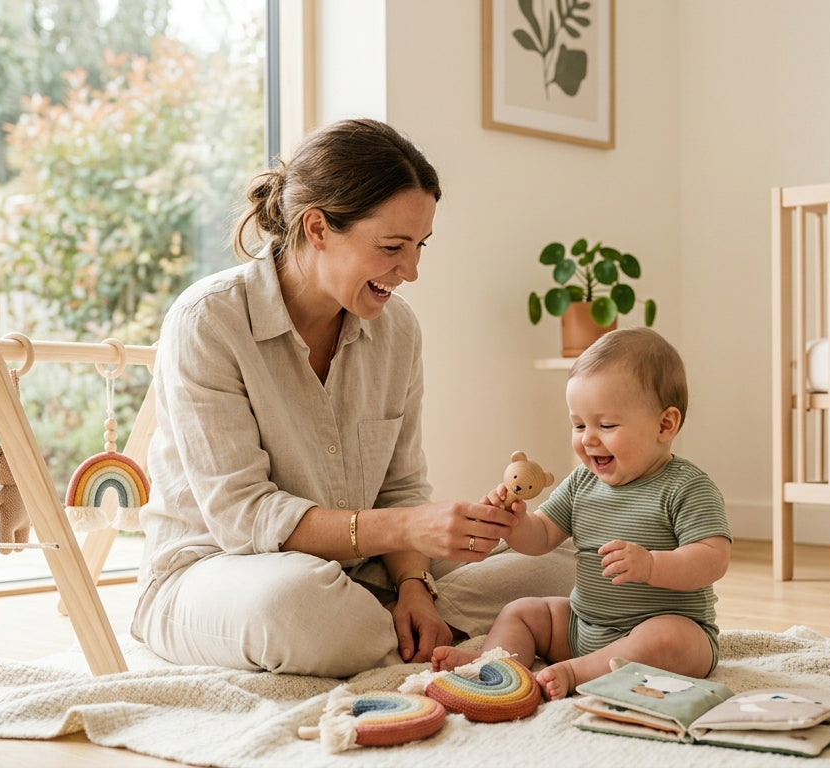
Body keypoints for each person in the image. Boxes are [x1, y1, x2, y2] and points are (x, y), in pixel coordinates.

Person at [130, 118, 574, 678]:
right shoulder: (209, 321)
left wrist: (415, 584)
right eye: (392, 247)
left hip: (365, 574)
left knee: (570, 557)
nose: (410, 271)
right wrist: (408, 530)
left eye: (419, 247)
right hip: (221, 574)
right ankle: (471, 634)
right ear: (317, 228)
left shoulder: (398, 331)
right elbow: (243, 520)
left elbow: (401, 486)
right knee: (294, 607)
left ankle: (403, 628)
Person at [432, 327, 731, 699]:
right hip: (581, 626)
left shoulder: (686, 487)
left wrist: (653, 565)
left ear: (664, 425)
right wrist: (516, 523)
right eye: (579, 424)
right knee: (523, 611)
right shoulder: (581, 481)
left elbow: (713, 558)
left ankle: (579, 673)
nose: (588, 438)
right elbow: (542, 536)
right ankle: (496, 662)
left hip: (657, 628)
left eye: (606, 425)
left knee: (672, 639)